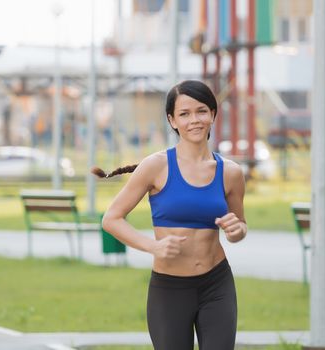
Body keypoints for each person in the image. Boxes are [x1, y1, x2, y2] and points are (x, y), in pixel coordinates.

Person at [95, 80, 247, 350]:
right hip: (170, 289)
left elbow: (239, 228)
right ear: (172, 120)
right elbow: (111, 219)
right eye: (184, 114)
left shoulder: (231, 172)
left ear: (213, 114)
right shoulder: (156, 166)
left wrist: (237, 231)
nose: (194, 120)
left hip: (217, 283)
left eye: (201, 111)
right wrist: (153, 246)